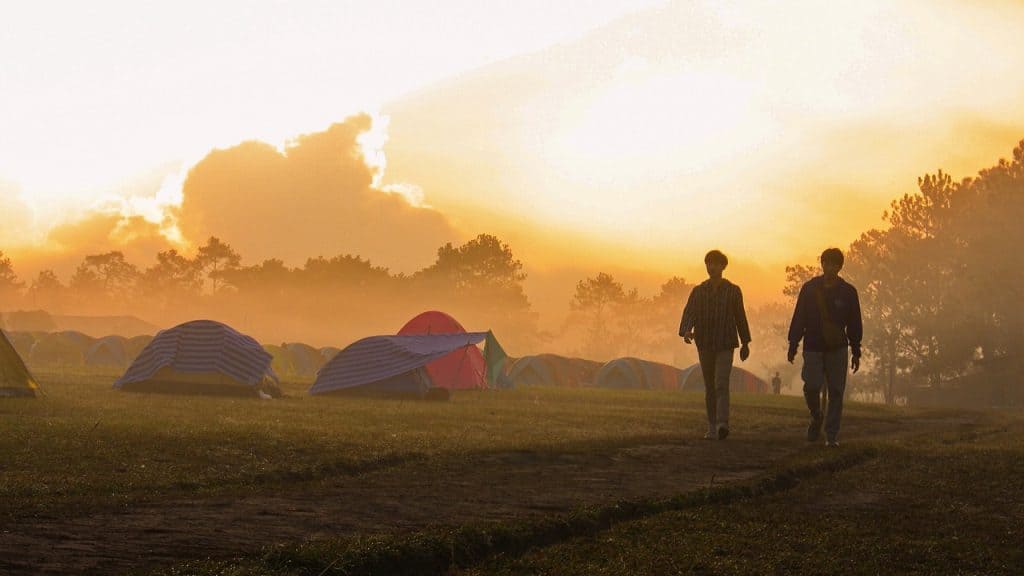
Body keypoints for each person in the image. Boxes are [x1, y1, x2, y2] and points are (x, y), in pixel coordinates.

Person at [787, 248, 863, 447]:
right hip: (812, 345)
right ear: (822, 264)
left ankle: (831, 436)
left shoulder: (848, 292)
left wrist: (856, 350)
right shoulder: (809, 289)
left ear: (840, 267)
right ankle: (816, 414)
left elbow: (855, 323)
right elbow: (799, 317)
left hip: (837, 347)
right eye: (826, 263)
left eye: (834, 264)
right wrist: (793, 343)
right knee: (811, 386)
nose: (830, 267)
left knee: (836, 391)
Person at [679, 250, 751, 440]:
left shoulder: (733, 291)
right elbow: (690, 313)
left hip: (726, 343)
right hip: (704, 343)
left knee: (721, 383)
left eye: (715, 264)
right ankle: (711, 426)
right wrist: (686, 330)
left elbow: (740, 317)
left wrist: (745, 342)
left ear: (723, 266)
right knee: (709, 386)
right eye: (708, 263)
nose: (711, 267)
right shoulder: (699, 291)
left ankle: (722, 424)